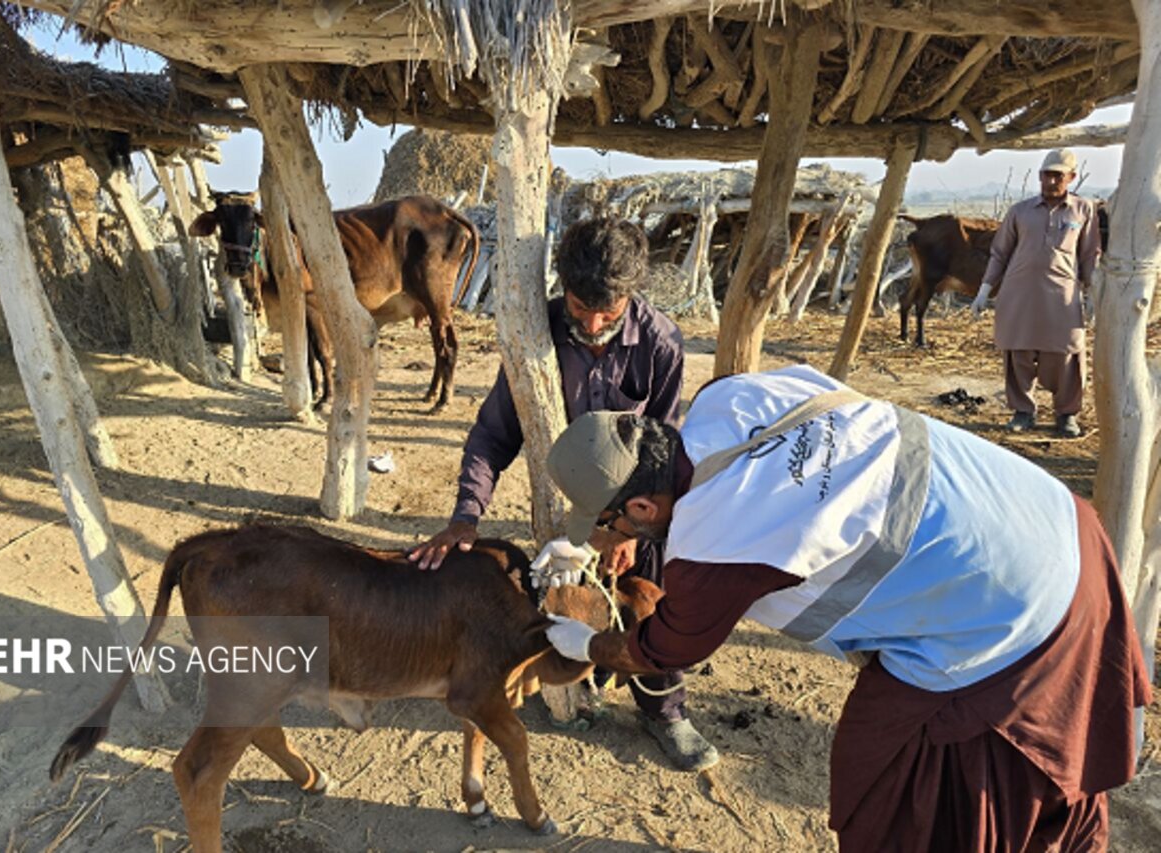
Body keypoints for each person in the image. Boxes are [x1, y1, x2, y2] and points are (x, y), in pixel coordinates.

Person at [542, 364, 1151, 850]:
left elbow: (662, 649)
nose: (605, 534)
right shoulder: (732, 399)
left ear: (643, 509)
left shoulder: (712, 543)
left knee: (903, 789)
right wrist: (613, 535)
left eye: (608, 520)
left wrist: (584, 644)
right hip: (1055, 522)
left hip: (1009, 618)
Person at [408, 215, 718, 772]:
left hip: (635, 503)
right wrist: (465, 515)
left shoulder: (662, 343)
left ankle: (664, 708)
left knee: (650, 599)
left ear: (631, 296)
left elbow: (664, 443)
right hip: (566, 505)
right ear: (562, 289)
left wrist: (628, 531)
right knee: (562, 597)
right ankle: (581, 682)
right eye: (580, 307)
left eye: (610, 312)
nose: (594, 323)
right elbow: (492, 433)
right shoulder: (536, 334)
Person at [971, 148, 1101, 438]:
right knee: (1018, 350)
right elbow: (1000, 252)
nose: (1050, 180)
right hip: (1019, 293)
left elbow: (1090, 254)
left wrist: (1094, 294)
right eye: (1046, 174)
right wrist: (984, 290)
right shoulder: (1020, 211)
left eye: (1057, 175)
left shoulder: (1083, 210)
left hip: (1063, 294)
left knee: (1066, 353)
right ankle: (1023, 411)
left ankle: (1066, 413)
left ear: (1071, 177)